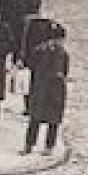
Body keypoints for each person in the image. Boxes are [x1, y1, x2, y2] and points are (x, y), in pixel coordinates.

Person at [22, 22, 69, 156]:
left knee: (53, 120)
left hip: (56, 91)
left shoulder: (63, 54)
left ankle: (49, 146)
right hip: (41, 89)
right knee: (35, 118)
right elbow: (32, 66)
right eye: (57, 39)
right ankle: (29, 144)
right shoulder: (40, 51)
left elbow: (64, 72)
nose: (59, 42)